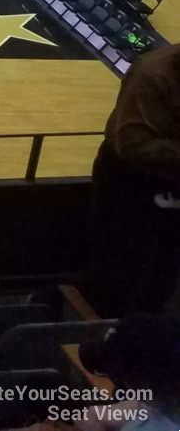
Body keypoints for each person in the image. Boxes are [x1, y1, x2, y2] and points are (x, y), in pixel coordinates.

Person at [86, 41, 180, 316]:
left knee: (164, 271)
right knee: (120, 271)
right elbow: (134, 145)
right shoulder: (154, 75)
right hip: (131, 182)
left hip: (171, 181)